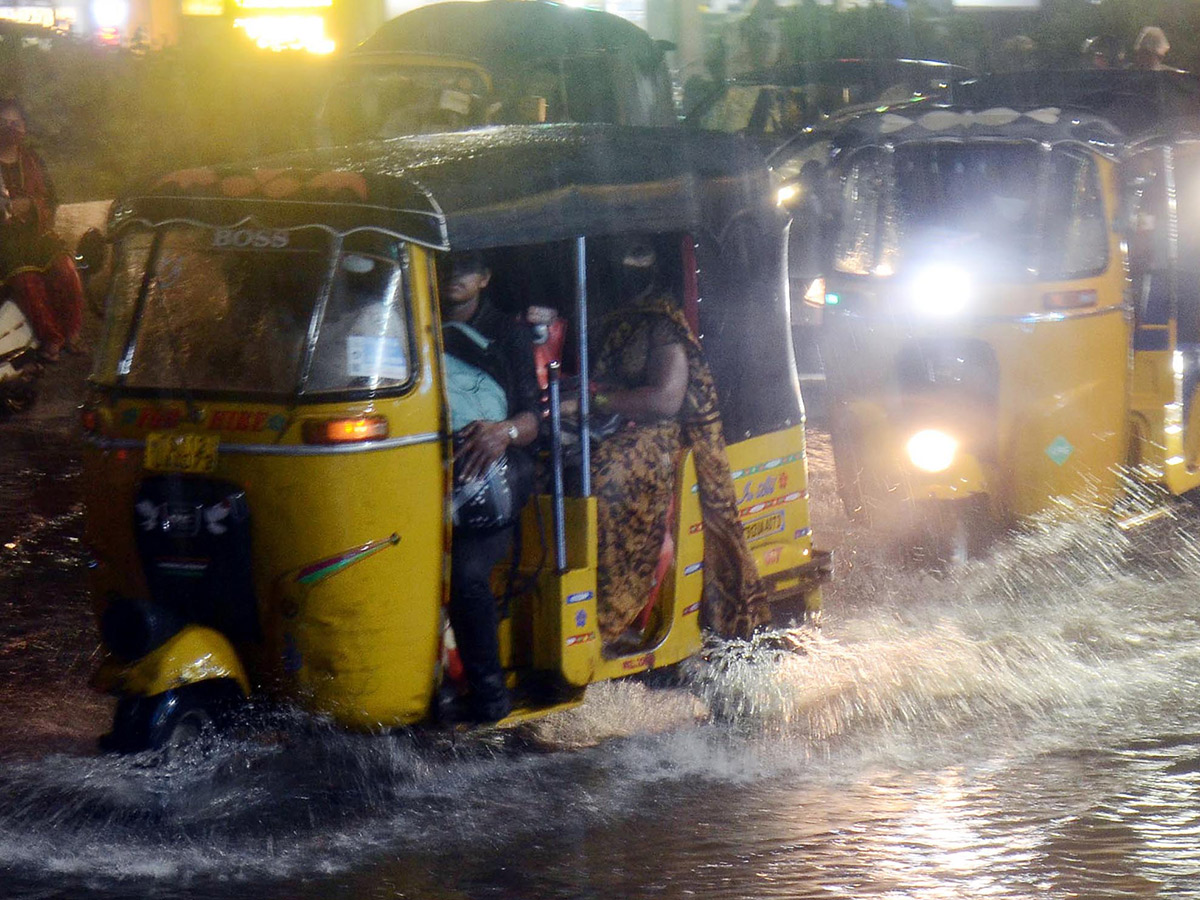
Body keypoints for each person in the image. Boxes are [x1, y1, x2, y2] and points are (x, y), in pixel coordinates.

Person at [587, 241, 770, 650]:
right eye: (623, 262)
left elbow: (665, 400)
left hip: (655, 434)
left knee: (602, 477)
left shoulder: (662, 324)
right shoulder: (608, 319)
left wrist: (596, 401)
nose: (628, 271)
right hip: (606, 422)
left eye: (639, 260)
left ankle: (618, 607)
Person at [439, 249, 540, 723]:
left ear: (484, 277)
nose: (452, 277)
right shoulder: (410, 326)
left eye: (465, 269)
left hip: (493, 474)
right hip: (426, 470)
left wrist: (503, 433)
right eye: (445, 266)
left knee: (464, 576)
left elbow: (534, 418)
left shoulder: (509, 335)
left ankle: (489, 700)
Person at [0, 98, 85, 362]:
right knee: (27, 281)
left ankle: (72, 334)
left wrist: (30, 206)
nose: (10, 128)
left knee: (65, 268)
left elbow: (51, 200)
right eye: (3, 123)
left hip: (38, 233)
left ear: (24, 126)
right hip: (7, 240)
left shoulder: (33, 160)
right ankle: (52, 339)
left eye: (16, 122)